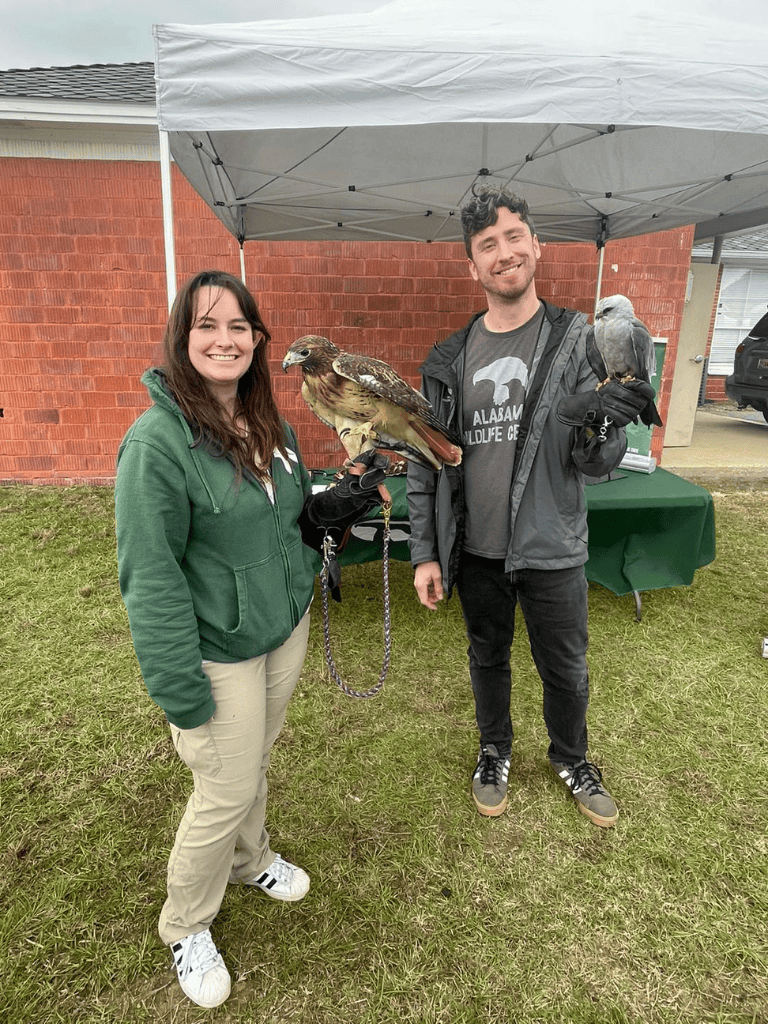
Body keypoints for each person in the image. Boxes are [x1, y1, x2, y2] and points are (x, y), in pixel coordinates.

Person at [115, 270, 384, 1008]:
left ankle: (251, 858)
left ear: (259, 341)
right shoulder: (157, 444)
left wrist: (333, 504)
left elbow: (286, 518)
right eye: (208, 325)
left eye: (239, 327)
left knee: (255, 757)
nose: (225, 339)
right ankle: (185, 924)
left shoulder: (271, 421)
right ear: (183, 336)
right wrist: (177, 685)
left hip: (281, 626)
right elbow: (151, 574)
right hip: (215, 650)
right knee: (224, 785)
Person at [406, 187, 655, 828]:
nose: (504, 253)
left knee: (566, 668)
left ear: (536, 246)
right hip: (479, 548)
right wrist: (426, 553)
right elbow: (425, 456)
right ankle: (494, 750)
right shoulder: (450, 359)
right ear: (473, 266)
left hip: (552, 544)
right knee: (487, 657)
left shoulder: (579, 340)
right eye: (487, 245)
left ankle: (571, 757)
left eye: (514, 237)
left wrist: (607, 428)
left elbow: (593, 463)